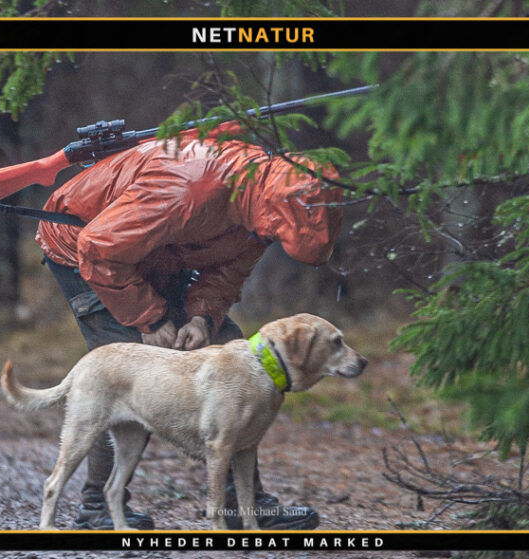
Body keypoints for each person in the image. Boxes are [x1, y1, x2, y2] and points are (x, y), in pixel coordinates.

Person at [35, 124, 343, 530]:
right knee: (126, 364)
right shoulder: (188, 189)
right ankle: (97, 507)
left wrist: (202, 318)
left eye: (274, 237)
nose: (267, 239)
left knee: (232, 349)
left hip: (153, 251)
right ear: (270, 208)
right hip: (83, 250)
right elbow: (99, 248)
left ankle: (241, 505)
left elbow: (227, 272)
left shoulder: (262, 210)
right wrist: (149, 319)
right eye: (272, 233)